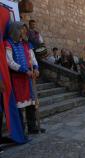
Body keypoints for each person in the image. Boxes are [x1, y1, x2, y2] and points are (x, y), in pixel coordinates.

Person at [5, 22, 45, 134]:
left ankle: (32, 127)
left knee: (32, 103)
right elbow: (10, 62)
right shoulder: (8, 44)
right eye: (22, 29)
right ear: (15, 30)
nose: (24, 32)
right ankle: (20, 130)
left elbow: (32, 58)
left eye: (24, 29)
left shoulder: (27, 44)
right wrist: (24, 70)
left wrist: (36, 68)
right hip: (17, 78)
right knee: (19, 105)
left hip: (29, 77)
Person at [0, 4, 27, 152]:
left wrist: (33, 68)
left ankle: (22, 130)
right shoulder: (7, 43)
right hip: (12, 76)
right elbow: (10, 61)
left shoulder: (22, 44)